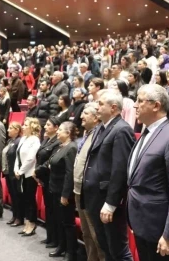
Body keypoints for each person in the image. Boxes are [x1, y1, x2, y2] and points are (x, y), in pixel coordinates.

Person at [127, 84, 169, 261]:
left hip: (160, 228)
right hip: (142, 223)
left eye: (140, 101)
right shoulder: (146, 133)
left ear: (156, 105)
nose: (135, 105)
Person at [82, 90, 135, 261]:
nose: (97, 107)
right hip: (95, 198)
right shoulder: (101, 127)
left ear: (113, 108)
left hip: (108, 201)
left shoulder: (122, 130)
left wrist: (111, 203)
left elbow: (120, 171)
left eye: (100, 104)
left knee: (118, 249)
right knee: (105, 246)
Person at [74, 104, 105, 261]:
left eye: (85, 113)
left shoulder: (100, 135)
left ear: (96, 117)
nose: (81, 116)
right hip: (79, 190)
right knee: (87, 235)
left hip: (91, 192)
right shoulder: (87, 134)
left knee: (96, 235)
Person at [48, 121, 78, 260]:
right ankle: (62, 246)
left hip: (63, 192)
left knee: (67, 222)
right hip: (54, 188)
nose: (57, 132)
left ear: (68, 133)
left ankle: (70, 252)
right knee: (59, 220)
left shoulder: (71, 148)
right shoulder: (61, 146)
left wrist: (65, 194)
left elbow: (69, 173)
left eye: (60, 130)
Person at [34, 117, 61, 248]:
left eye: (49, 125)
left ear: (56, 128)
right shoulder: (46, 139)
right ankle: (50, 236)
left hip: (51, 179)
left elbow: (50, 161)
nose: (45, 127)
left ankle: (56, 239)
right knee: (49, 209)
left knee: (54, 211)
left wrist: (37, 171)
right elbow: (39, 156)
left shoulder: (57, 142)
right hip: (44, 178)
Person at [14, 117, 41, 236]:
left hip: (29, 173)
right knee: (24, 198)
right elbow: (17, 155)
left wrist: (20, 170)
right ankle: (27, 222)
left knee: (30, 199)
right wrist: (16, 169)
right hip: (21, 172)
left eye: (26, 125)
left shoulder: (35, 140)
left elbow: (31, 158)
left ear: (32, 127)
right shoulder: (23, 138)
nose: (23, 127)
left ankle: (32, 223)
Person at [2, 122, 23, 226]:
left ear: (17, 130)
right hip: (8, 172)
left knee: (17, 196)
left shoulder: (19, 141)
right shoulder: (10, 141)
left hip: (15, 173)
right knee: (13, 195)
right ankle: (14, 215)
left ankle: (19, 217)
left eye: (11, 128)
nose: (8, 130)